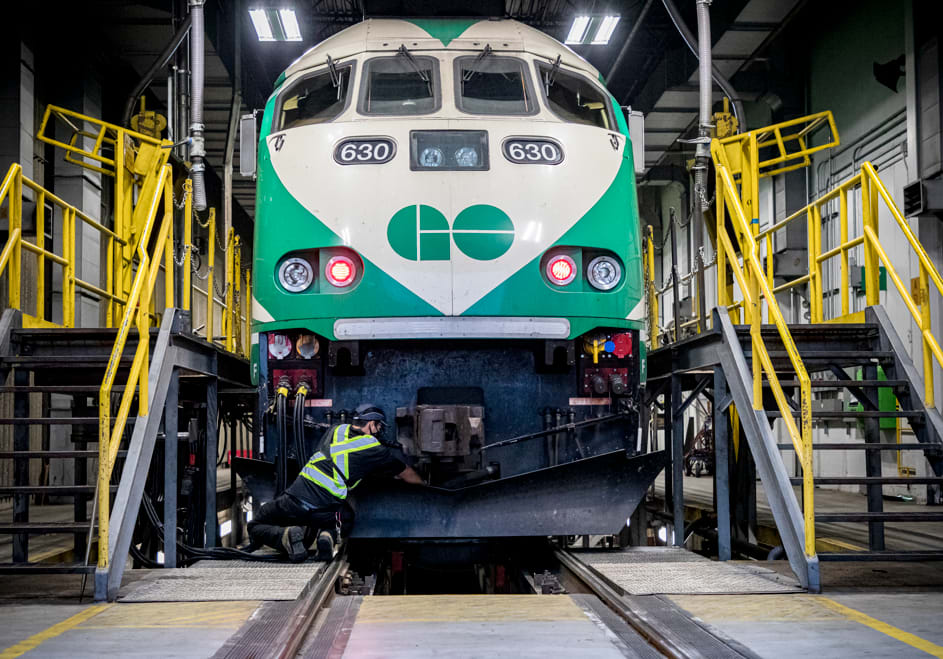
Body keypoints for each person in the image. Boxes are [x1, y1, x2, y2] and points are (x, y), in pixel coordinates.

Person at [247, 403, 423, 562]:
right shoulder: (376, 450)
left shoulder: (335, 429)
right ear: (370, 423)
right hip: (324, 512)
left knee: (256, 524)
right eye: (378, 426)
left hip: (293, 502)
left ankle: (285, 536)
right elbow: (406, 473)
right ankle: (327, 535)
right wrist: (423, 486)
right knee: (344, 518)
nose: (379, 431)